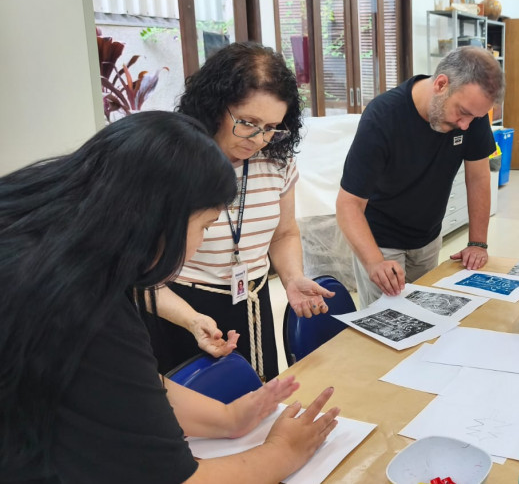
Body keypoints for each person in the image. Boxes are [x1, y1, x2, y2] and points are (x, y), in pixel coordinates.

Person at [0, 112, 339, 483]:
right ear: (161, 217)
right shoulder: (80, 302)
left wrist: (228, 419)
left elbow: (127, 383)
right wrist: (284, 451)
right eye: (205, 226)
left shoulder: (45, 238)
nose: (195, 248)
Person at [152, 42, 334, 381]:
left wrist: (293, 277)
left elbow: (284, 233)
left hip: (252, 298)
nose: (259, 138)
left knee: (258, 400)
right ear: (214, 106)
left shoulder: (276, 159)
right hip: (184, 308)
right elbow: (140, 276)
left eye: (271, 127)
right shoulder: (172, 162)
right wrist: (190, 319)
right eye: (248, 122)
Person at [336, 46, 503, 307]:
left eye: (474, 117)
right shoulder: (383, 116)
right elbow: (348, 204)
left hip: (428, 237)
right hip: (380, 241)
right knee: (386, 325)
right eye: (463, 113)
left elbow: (479, 177)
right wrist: (374, 262)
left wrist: (478, 242)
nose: (465, 125)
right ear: (441, 84)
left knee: (424, 316)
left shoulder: (471, 114)